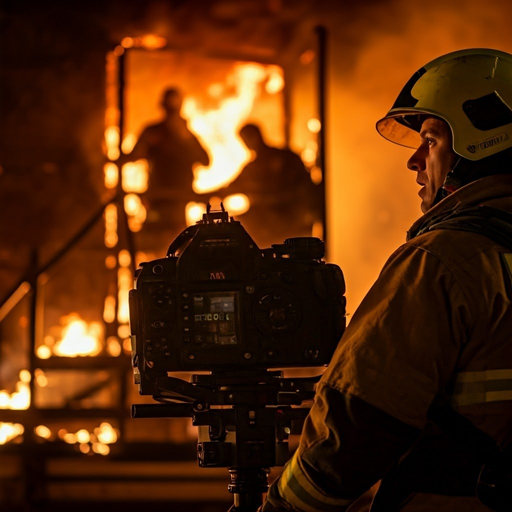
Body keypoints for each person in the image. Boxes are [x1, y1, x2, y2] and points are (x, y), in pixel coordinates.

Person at [260, 48, 512, 511]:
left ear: (482, 143)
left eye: (432, 139)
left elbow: (358, 427)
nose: (415, 161)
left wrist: (282, 508)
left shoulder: (441, 263)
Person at [122, 87, 209, 241]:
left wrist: (186, 139)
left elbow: (205, 160)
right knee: (156, 238)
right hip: (157, 196)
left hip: (178, 197)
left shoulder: (186, 135)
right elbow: (134, 156)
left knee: (177, 239)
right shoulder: (153, 132)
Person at [221, 123, 322, 248]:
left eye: (248, 138)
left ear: (257, 136)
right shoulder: (252, 168)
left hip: (291, 223)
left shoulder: (286, 159)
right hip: (270, 229)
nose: (247, 143)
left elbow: (302, 189)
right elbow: (232, 187)